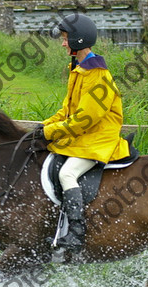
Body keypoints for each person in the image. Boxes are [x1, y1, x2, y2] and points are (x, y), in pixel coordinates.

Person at [34, 13, 130, 251]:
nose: (63, 43)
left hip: (98, 138)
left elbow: (83, 120)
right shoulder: (79, 70)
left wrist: (50, 133)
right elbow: (67, 111)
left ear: (78, 40)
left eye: (66, 38)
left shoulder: (98, 77)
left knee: (67, 174)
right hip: (85, 136)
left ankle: (76, 233)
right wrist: (44, 127)